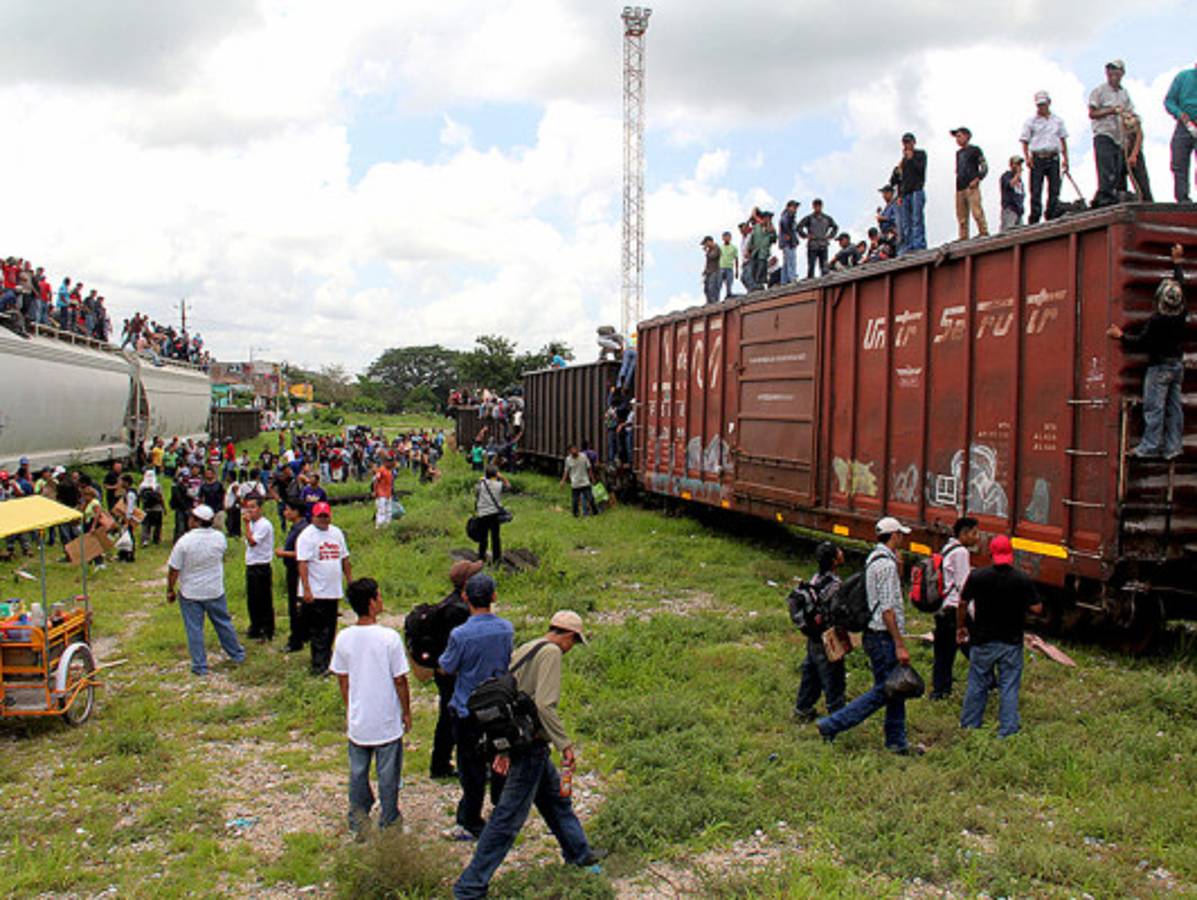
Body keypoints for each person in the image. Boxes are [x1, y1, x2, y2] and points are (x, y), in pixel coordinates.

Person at [453, 610, 605, 898]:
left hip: (520, 741)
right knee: (507, 820)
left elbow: (511, 699)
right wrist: (566, 745)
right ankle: (470, 886)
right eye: (575, 641)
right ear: (568, 636)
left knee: (557, 802)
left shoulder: (527, 647)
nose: (572, 648)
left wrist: (505, 747)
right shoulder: (551, 653)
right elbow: (545, 705)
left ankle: (579, 853)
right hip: (530, 745)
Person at [816, 517, 919, 755]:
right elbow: (887, 610)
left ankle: (896, 741)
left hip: (876, 635)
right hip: (883, 637)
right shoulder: (886, 565)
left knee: (896, 689)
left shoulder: (875, 558)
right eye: (900, 535)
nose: (902, 539)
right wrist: (899, 644)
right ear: (894, 536)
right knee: (884, 690)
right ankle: (832, 725)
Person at [331, 577, 413, 832]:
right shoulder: (389, 638)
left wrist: (350, 707)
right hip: (386, 718)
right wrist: (406, 711)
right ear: (371, 602)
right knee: (388, 775)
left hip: (359, 718)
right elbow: (400, 679)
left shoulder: (344, 637)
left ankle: (357, 820)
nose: (381, 600)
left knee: (357, 773)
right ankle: (389, 820)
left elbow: (342, 679)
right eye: (378, 596)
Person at [438, 573, 515, 841]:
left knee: (470, 766)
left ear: (465, 597)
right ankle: (502, 812)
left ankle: (471, 819)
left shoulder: (460, 634)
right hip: (498, 705)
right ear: (494, 597)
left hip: (466, 707)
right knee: (500, 759)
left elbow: (447, 666)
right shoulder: (506, 628)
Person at [1107, 243, 1188, 459]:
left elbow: (1140, 342)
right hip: (1177, 366)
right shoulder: (1181, 314)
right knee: (1174, 408)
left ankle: (1149, 446)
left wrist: (1120, 336)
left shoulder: (1157, 321)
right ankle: (1173, 447)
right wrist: (1178, 263)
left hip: (1159, 367)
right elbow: (1180, 286)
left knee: (1155, 408)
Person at [957, 535, 1043, 737]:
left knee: (977, 683)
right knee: (1009, 687)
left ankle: (969, 726)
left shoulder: (978, 576)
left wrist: (961, 627)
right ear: (1011, 555)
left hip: (982, 640)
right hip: (1011, 642)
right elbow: (1037, 608)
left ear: (990, 554)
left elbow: (962, 602)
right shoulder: (1021, 578)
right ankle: (1008, 730)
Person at [166, 504, 246, 677]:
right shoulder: (219, 538)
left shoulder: (184, 541)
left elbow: (174, 569)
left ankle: (200, 665)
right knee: (223, 623)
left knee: (194, 628)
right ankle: (237, 654)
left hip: (191, 591)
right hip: (214, 589)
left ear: (195, 521)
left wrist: (170, 589)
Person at [429, 560, 485, 780]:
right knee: (453, 719)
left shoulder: (450, 604)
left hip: (446, 670)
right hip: (452, 672)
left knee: (447, 717)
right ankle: (444, 764)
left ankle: (441, 764)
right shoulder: (458, 611)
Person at [297, 501, 352, 676]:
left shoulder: (336, 533)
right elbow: (303, 563)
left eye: (325, 516)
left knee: (330, 628)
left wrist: (350, 581)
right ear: (313, 517)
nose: (323, 519)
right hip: (316, 590)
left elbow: (344, 559)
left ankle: (328, 661)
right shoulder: (307, 536)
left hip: (332, 590)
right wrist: (306, 589)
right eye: (319, 516)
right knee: (318, 630)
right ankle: (318, 666)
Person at [794, 542, 846, 721]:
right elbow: (837, 610)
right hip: (828, 635)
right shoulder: (835, 584)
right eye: (838, 551)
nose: (842, 552)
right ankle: (837, 716)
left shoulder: (815, 578)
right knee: (833, 677)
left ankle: (803, 708)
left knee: (811, 671)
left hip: (813, 635)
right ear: (834, 560)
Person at [930, 517, 978, 701]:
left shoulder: (947, 548)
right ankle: (990, 683)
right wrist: (970, 613)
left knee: (942, 653)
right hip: (955, 610)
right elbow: (964, 587)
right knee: (972, 648)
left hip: (943, 609)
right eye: (974, 533)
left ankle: (940, 690)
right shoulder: (961, 553)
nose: (977, 537)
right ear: (964, 533)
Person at [1089, 60, 1134, 208]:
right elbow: (1092, 113)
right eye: (1110, 71)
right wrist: (1111, 110)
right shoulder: (1099, 91)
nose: (1112, 74)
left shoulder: (1124, 93)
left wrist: (1130, 121)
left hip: (1119, 136)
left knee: (1117, 169)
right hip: (1104, 133)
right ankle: (1104, 196)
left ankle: (1110, 194)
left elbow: (1130, 113)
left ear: (1122, 73)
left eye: (1116, 71)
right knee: (1106, 166)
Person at [1020, 91, 1069, 224]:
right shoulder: (1031, 122)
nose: (1041, 107)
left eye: (1043, 104)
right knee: (1036, 189)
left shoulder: (1057, 120)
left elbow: (1063, 139)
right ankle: (1035, 216)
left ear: (1049, 103)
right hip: (1038, 157)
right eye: (1039, 105)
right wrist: (1027, 157)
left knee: (1054, 188)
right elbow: (1024, 140)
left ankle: (1051, 213)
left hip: (1053, 157)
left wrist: (1066, 159)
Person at [276, 501, 310, 653]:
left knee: (296, 605)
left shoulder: (302, 530)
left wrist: (283, 553)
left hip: (297, 571)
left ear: (297, 511)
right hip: (293, 569)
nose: (285, 513)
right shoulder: (297, 528)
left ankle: (297, 639)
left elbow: (302, 554)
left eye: (288, 510)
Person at [242, 497, 275, 642]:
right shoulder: (253, 524)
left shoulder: (264, 525)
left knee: (263, 599)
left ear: (260, 509)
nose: (250, 511)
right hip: (251, 564)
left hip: (261, 565)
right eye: (248, 507)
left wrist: (247, 524)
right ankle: (255, 626)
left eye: (253, 507)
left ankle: (267, 629)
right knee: (253, 599)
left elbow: (252, 542)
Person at [1164, 61, 1197, 203]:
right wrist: (1179, 113)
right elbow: (1169, 101)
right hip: (1184, 125)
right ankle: (1183, 199)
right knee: (1179, 162)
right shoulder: (1183, 77)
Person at [890, 133, 927, 255]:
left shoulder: (920, 154)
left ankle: (918, 244)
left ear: (913, 142)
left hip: (916, 190)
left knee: (917, 219)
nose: (906, 145)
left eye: (908, 142)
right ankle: (908, 246)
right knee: (906, 223)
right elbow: (895, 181)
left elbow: (920, 170)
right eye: (904, 143)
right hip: (905, 194)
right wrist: (898, 168)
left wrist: (911, 158)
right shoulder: (903, 162)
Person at [951, 127, 989, 239]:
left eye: (959, 136)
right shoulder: (958, 153)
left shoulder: (975, 150)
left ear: (967, 136)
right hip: (960, 187)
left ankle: (983, 231)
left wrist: (978, 178)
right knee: (961, 216)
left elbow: (984, 166)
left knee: (976, 211)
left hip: (971, 185)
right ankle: (963, 236)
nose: (957, 139)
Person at [473, 466, 510, 565]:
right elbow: (508, 486)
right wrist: (502, 478)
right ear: (496, 475)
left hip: (482, 513)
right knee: (495, 537)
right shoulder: (498, 485)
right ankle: (497, 560)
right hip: (494, 513)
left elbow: (476, 494)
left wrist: (482, 480)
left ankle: (481, 558)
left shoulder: (480, 484)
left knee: (483, 537)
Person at [796, 199, 839, 278]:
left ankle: (824, 282)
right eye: (816, 206)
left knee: (824, 267)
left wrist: (830, 236)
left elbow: (835, 227)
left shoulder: (827, 218)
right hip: (813, 245)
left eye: (819, 206)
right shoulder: (809, 218)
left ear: (821, 206)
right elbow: (799, 227)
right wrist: (806, 235)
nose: (817, 208)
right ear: (813, 207)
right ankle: (810, 282)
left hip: (823, 244)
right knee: (811, 266)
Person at [1121, 110, 1154, 201]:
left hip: (1132, 150)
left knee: (1142, 184)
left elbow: (1139, 133)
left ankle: (1147, 203)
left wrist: (1134, 154)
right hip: (1118, 151)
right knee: (1119, 185)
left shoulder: (1125, 108)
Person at [561, 445, 597, 518]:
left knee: (590, 498)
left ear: (578, 450)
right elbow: (566, 471)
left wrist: (592, 478)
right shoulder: (568, 460)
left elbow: (589, 468)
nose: (575, 451)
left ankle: (595, 512)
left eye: (576, 449)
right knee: (575, 502)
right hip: (575, 483)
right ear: (570, 452)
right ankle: (575, 514)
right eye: (573, 450)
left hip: (585, 482)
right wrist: (563, 481)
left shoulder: (583, 456)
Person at [749, 211, 776, 289]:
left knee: (761, 269)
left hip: (763, 252)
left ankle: (759, 285)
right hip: (755, 252)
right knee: (754, 269)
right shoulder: (756, 227)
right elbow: (752, 238)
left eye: (769, 218)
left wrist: (772, 232)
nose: (767, 220)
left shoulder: (771, 228)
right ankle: (756, 286)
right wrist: (749, 248)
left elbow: (774, 240)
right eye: (766, 218)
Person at [778, 200, 801, 285]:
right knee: (791, 261)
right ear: (788, 207)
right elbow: (786, 226)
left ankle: (783, 281)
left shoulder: (790, 216)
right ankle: (792, 279)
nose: (795, 209)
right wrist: (789, 236)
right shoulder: (787, 216)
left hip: (789, 242)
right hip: (788, 243)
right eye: (793, 207)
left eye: (796, 207)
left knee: (786, 262)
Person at [999, 156, 1026, 232]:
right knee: (1008, 232)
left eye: (1020, 164)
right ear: (1011, 165)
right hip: (1010, 209)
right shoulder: (1006, 176)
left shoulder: (1020, 181)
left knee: (1021, 233)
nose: (1019, 166)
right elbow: (1010, 184)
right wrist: (1018, 173)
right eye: (1017, 164)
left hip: (1019, 210)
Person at [373, 455, 394, 529]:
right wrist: (375, 491)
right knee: (381, 510)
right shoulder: (381, 470)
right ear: (385, 462)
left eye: (391, 461)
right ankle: (379, 526)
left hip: (388, 493)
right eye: (388, 461)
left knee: (389, 510)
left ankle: (387, 525)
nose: (390, 463)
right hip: (381, 493)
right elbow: (376, 481)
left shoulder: (390, 470)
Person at [700, 236, 721, 305]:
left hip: (715, 271)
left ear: (709, 241)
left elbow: (713, 256)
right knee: (706, 289)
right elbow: (708, 262)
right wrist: (705, 270)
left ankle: (714, 302)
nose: (705, 245)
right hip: (709, 272)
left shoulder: (716, 248)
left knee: (712, 288)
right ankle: (709, 302)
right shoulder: (709, 250)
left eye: (705, 243)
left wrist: (706, 252)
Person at [718, 230, 738, 300]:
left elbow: (736, 259)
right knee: (719, 283)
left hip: (729, 267)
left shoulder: (734, 248)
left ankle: (728, 294)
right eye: (725, 237)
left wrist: (737, 271)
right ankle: (717, 298)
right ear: (722, 238)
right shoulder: (720, 248)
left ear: (730, 238)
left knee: (729, 283)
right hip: (721, 267)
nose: (726, 238)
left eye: (728, 237)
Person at [738, 221, 756, 293]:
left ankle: (753, 289)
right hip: (745, 261)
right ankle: (751, 289)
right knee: (743, 278)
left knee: (749, 275)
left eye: (743, 229)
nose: (741, 231)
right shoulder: (742, 240)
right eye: (740, 230)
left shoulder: (751, 236)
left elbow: (755, 245)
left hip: (751, 259)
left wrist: (751, 253)